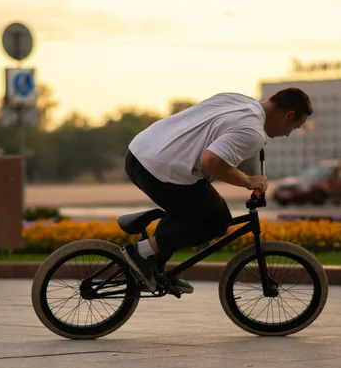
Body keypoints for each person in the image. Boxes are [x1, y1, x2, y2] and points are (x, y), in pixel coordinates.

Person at [121, 88, 313, 293]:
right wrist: (249, 181)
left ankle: (157, 271)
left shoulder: (239, 100)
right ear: (288, 115)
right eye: (294, 127)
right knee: (217, 220)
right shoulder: (253, 132)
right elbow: (211, 161)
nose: (287, 134)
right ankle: (139, 253)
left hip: (139, 151)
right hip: (160, 168)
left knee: (188, 211)